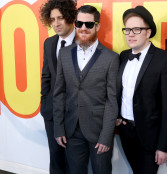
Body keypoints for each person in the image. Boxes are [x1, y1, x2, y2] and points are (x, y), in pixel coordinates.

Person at [53, 5, 119, 174]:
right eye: (79, 23)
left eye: (89, 24)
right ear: (74, 24)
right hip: (71, 130)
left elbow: (112, 101)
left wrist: (106, 137)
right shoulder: (64, 54)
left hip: (98, 133)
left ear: (97, 26)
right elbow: (59, 93)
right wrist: (59, 128)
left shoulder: (111, 58)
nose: (83, 28)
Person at [116, 6, 167, 174]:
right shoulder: (123, 56)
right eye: (127, 29)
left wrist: (164, 146)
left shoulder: (164, 60)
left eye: (136, 29)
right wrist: (117, 117)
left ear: (148, 32)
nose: (130, 34)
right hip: (125, 131)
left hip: (150, 138)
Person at [39, 0, 77, 173]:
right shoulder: (49, 43)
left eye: (60, 18)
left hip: (75, 115)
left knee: (74, 162)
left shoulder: (84, 41)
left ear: (70, 16)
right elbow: (46, 76)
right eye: (52, 19)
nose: (56, 23)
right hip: (52, 113)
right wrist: (45, 103)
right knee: (55, 159)